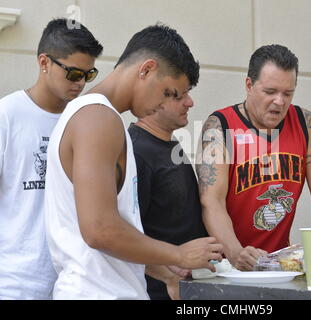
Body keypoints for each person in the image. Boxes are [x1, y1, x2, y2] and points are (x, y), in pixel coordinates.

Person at [44, 23, 223, 300]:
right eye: (168, 92)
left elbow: (113, 234)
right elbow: (99, 230)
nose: (165, 103)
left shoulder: (99, 117)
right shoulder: (98, 118)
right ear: (146, 69)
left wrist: (166, 271)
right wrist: (179, 253)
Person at [196, 44, 311, 271]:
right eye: (270, 92)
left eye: (287, 93)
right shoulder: (220, 125)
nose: (279, 101)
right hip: (225, 265)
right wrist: (235, 253)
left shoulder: (305, 123)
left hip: (278, 262)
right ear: (249, 85)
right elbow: (211, 200)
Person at [0, 18, 103, 300]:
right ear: (44, 62)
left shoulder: (84, 121)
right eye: (73, 73)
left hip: (72, 284)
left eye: (89, 74)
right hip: (14, 285)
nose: (81, 83)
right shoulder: (7, 115)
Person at [128, 77, 208, 300]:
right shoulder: (137, 152)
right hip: (159, 291)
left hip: (188, 288)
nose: (190, 102)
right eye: (179, 96)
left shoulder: (168, 142)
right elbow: (126, 236)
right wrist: (168, 278)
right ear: (152, 99)